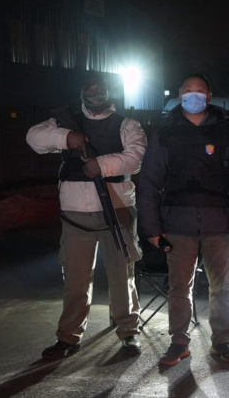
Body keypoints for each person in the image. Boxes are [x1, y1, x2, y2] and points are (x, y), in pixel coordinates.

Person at [26, 73, 146, 359]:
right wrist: (67, 137)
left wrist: (101, 164)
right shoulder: (65, 122)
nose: (95, 93)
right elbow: (34, 137)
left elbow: (136, 158)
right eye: (89, 89)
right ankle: (69, 336)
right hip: (75, 211)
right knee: (76, 280)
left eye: (100, 88)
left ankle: (128, 331)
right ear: (80, 92)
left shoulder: (128, 124)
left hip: (117, 208)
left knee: (122, 276)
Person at [137, 73, 229, 365]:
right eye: (187, 90)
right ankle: (178, 342)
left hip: (218, 224)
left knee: (223, 287)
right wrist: (152, 228)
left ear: (209, 96)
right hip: (178, 225)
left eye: (199, 90)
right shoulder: (164, 134)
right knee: (179, 288)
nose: (193, 95)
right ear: (179, 95)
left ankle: (221, 341)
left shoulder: (227, 133)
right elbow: (149, 183)